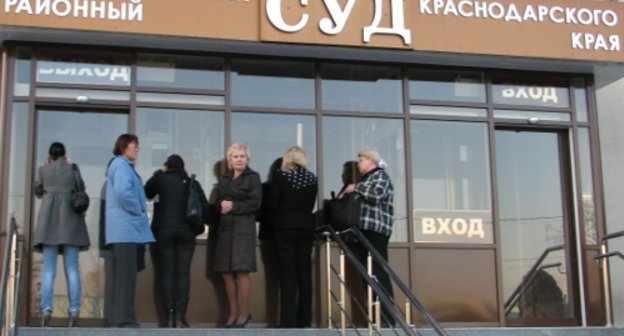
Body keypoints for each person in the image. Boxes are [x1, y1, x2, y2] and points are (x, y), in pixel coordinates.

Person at [33, 142, 90, 328]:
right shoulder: (72, 168)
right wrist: (71, 166)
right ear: (65, 154)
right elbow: (82, 187)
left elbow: (38, 191)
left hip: (49, 223)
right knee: (72, 268)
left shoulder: (44, 170)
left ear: (50, 155)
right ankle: (74, 311)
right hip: (71, 223)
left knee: (49, 269)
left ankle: (47, 310)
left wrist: (46, 168)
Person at [145, 154, 203, 328]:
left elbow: (146, 192)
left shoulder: (161, 180)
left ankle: (169, 315)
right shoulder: (192, 183)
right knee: (183, 274)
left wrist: (158, 173)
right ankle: (181, 315)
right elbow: (204, 207)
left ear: (167, 166)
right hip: (186, 232)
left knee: (166, 273)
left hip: (164, 231)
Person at [340, 149, 395, 326]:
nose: (358, 164)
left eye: (361, 160)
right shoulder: (367, 179)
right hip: (364, 232)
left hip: (375, 231)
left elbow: (377, 195)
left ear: (371, 161)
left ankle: (386, 318)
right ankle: (373, 316)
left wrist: (355, 187)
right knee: (366, 274)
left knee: (377, 272)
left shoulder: (380, 176)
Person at [105, 134, 155, 328]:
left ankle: (124, 317)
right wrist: (139, 209)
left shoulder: (123, 166)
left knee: (125, 276)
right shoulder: (120, 165)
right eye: (135, 146)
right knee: (126, 277)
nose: (137, 149)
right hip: (125, 231)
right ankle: (123, 319)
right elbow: (123, 192)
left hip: (126, 231)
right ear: (123, 147)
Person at [267, 146, 318, 328]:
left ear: (287, 158)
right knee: (304, 273)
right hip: (306, 227)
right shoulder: (312, 178)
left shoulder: (282, 175)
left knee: (288, 273)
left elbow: (273, 202)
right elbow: (311, 204)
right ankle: (304, 320)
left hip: (285, 227)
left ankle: (287, 321)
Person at [214, 142, 262, 328]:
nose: (239, 159)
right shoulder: (225, 178)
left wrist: (233, 206)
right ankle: (233, 312)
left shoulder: (253, 177)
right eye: (235, 156)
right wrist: (221, 205)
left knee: (242, 271)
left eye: (242, 156)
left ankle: (244, 313)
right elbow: (217, 199)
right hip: (226, 229)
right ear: (230, 160)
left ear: (247, 159)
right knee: (226, 272)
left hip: (243, 230)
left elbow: (255, 203)